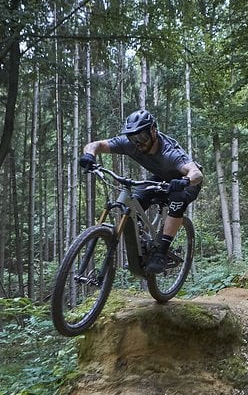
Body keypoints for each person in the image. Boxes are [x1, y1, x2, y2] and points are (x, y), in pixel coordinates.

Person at [79, 109, 204, 273]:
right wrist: (89, 155)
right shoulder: (129, 144)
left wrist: (185, 181)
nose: (138, 143)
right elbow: (96, 145)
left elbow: (196, 173)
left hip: (185, 182)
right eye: (133, 138)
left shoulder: (170, 153)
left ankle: (161, 252)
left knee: (177, 198)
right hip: (160, 177)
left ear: (153, 131)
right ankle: (143, 249)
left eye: (142, 136)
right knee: (131, 206)